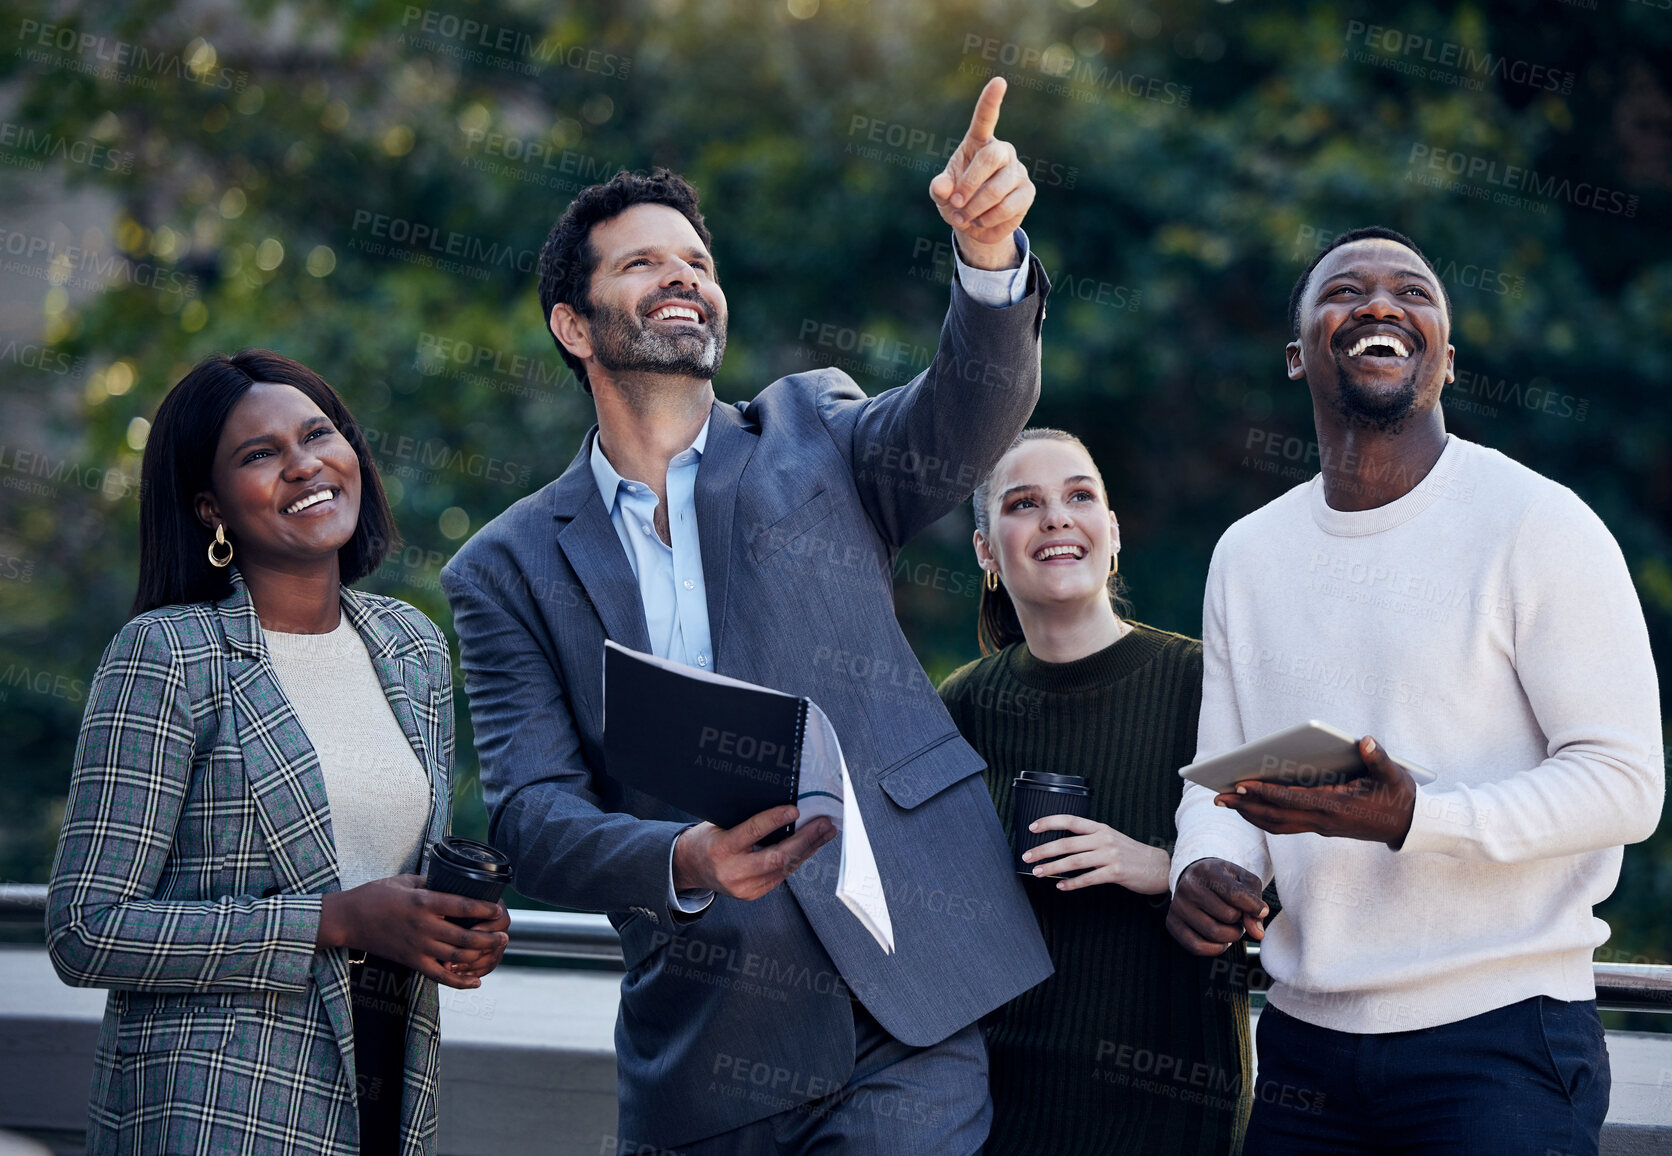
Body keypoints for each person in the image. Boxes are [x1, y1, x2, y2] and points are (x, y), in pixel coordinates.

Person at [441, 78, 1054, 1154]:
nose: (682, 276)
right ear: (572, 326)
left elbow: (971, 411)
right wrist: (682, 856)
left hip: (903, 995)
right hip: (706, 1046)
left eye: (697, 264)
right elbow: (531, 814)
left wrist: (990, 257)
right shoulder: (506, 567)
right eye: (641, 262)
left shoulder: (814, 427)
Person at [1166, 227, 1663, 1155]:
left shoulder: (1538, 523)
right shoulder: (1248, 553)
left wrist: (1412, 819)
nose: (1380, 304)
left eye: (1414, 292)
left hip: (1500, 1039)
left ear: (1444, 354)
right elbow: (1220, 784)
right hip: (1302, 1049)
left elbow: (1625, 784)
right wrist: (1205, 863)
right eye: (1344, 290)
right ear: (1296, 354)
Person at [47, 350, 510, 1156]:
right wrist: (329, 920)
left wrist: (452, 927)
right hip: (215, 1113)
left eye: (317, 435)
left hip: (387, 1090)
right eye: (259, 456)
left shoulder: (412, 649)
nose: (304, 466)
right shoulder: (168, 655)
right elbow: (86, 928)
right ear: (209, 507)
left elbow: (391, 873)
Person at [938, 428, 1250, 1156]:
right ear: (986, 553)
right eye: (1023, 503)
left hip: (1173, 1110)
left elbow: (1284, 898)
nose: (1055, 517)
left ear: (1109, 533)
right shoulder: (962, 705)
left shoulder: (1204, 685)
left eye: (1079, 496)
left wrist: (1155, 868)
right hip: (992, 1109)